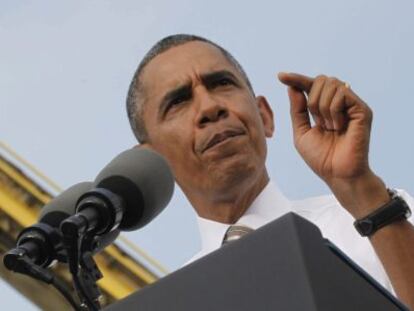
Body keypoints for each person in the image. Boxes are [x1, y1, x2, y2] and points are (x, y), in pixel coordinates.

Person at [125, 34, 414, 308]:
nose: (210, 107)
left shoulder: (382, 218)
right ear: (152, 163)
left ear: (265, 116)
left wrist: (361, 190)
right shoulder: (174, 303)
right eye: (178, 101)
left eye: (222, 83)